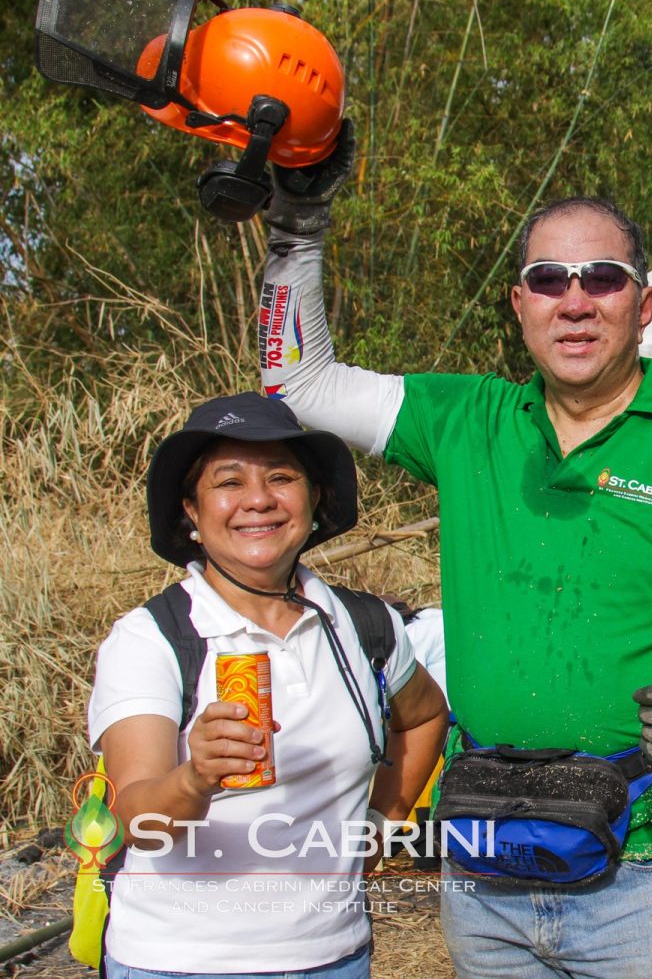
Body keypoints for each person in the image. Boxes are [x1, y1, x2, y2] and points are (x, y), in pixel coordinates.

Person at [255, 138, 652, 976]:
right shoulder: (467, 418)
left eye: (603, 279)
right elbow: (296, 384)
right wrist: (297, 227)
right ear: (519, 303)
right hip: (486, 867)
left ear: (643, 304)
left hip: (645, 880)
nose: (574, 302)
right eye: (550, 280)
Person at [87, 392, 448, 978]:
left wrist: (387, 817)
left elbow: (425, 713)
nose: (258, 500)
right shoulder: (153, 638)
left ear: (314, 499)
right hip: (180, 963)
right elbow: (136, 820)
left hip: (336, 957)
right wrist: (194, 776)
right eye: (228, 482)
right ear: (191, 513)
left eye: (281, 477)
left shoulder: (364, 623)